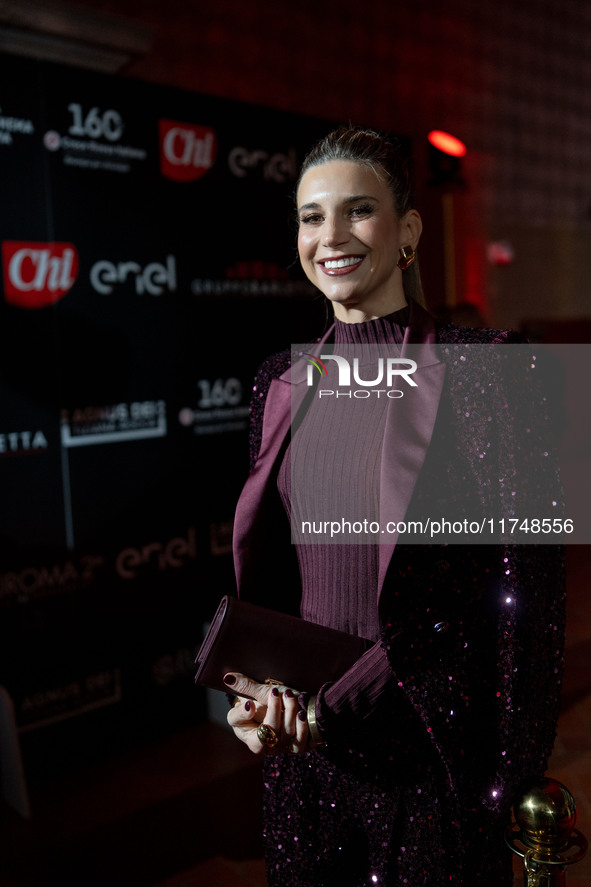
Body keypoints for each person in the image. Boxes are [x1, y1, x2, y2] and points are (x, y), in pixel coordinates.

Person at [223, 126, 565, 886]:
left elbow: (518, 597)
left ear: (407, 229)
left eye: (358, 211)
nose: (330, 236)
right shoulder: (279, 378)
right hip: (306, 764)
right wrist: (260, 695)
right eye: (311, 217)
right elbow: (279, 579)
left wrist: (507, 774)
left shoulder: (488, 371)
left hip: (430, 755)